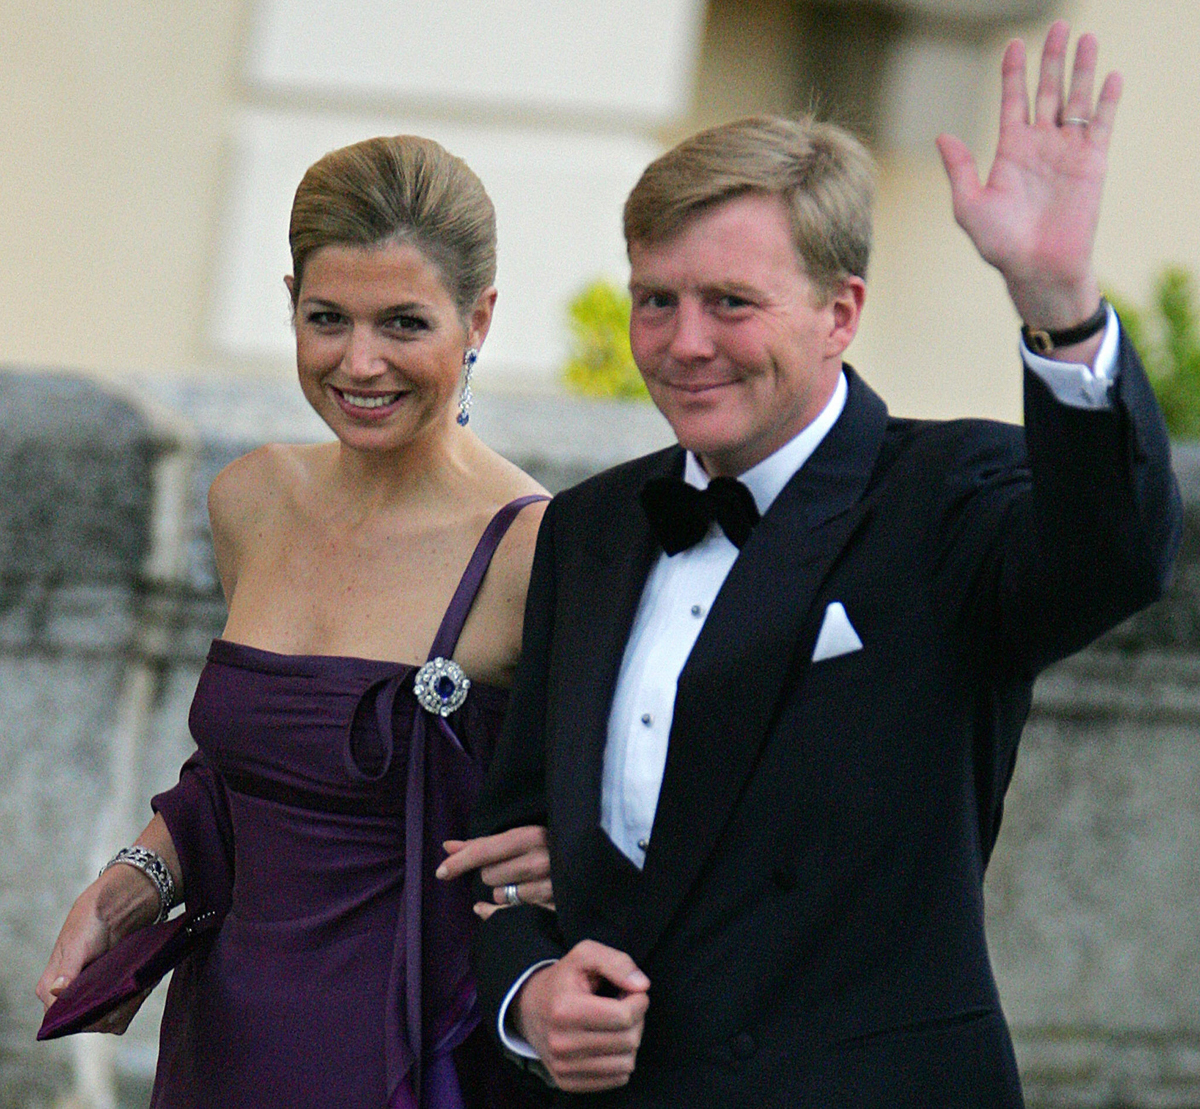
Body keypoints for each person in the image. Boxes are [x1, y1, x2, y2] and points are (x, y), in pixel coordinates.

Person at [469, 23, 1182, 1107]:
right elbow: (511, 841)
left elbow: (1115, 554)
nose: (684, 340)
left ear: (840, 312)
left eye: (732, 302)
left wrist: (1057, 305)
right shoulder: (590, 526)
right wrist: (530, 992)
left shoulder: (949, 494)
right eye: (656, 298)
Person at [37, 134, 555, 1108]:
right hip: (220, 1039)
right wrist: (127, 887)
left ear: (479, 317)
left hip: (401, 1061)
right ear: (290, 305)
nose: (361, 362)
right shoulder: (251, 498)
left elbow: (626, 814)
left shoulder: (533, 550)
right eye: (328, 319)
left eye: (404, 322)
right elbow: (239, 775)